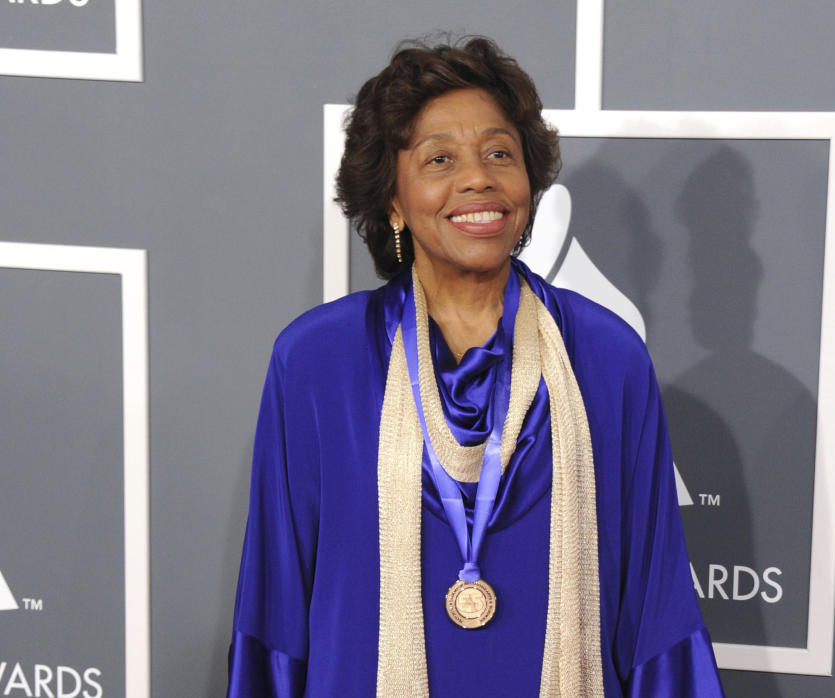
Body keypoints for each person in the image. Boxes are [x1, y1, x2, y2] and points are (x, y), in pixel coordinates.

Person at [227, 36, 725, 697]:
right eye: (440, 158)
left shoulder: (606, 359)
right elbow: (277, 609)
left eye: (499, 153)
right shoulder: (318, 363)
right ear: (393, 200)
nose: (478, 178)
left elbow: (656, 610)